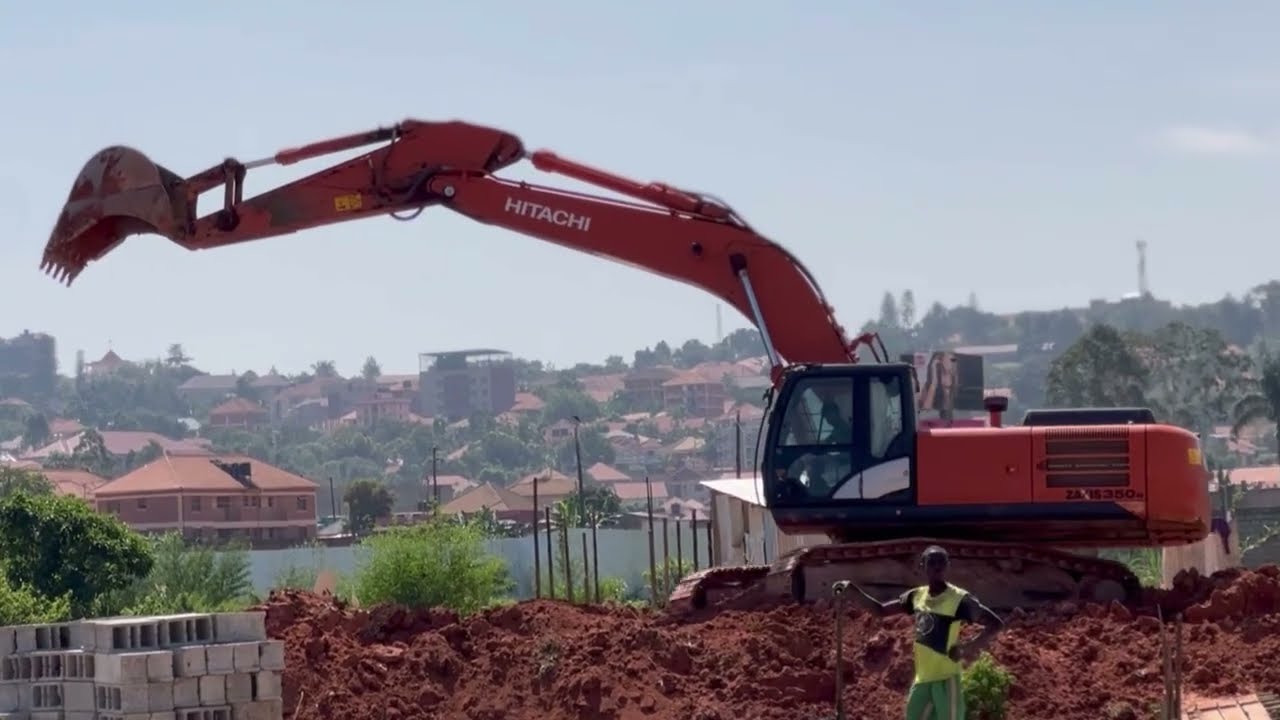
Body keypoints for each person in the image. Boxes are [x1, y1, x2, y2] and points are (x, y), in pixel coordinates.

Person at [840, 546, 1004, 720]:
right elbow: (880, 610)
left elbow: (995, 624)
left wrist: (968, 647)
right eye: (931, 562)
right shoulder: (917, 596)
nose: (936, 566)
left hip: (946, 679)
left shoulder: (959, 599)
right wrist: (852, 591)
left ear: (948, 566)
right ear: (922, 566)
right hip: (923, 679)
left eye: (941, 562)